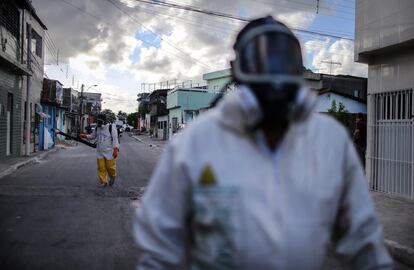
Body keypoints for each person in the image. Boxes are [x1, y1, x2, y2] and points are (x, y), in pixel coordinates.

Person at [133, 16, 392, 269]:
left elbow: (364, 244)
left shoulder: (330, 142)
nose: (274, 76)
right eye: (260, 61)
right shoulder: (195, 143)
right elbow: (158, 252)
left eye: (284, 60)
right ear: (237, 72)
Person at [80, 113, 119, 187]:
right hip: (100, 151)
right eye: (98, 121)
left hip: (109, 151)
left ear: (104, 121)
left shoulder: (111, 127)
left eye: (100, 121)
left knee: (110, 168)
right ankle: (103, 181)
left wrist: (115, 149)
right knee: (101, 167)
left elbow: (115, 139)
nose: (99, 123)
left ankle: (112, 177)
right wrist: (85, 136)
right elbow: (93, 136)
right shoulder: (97, 127)